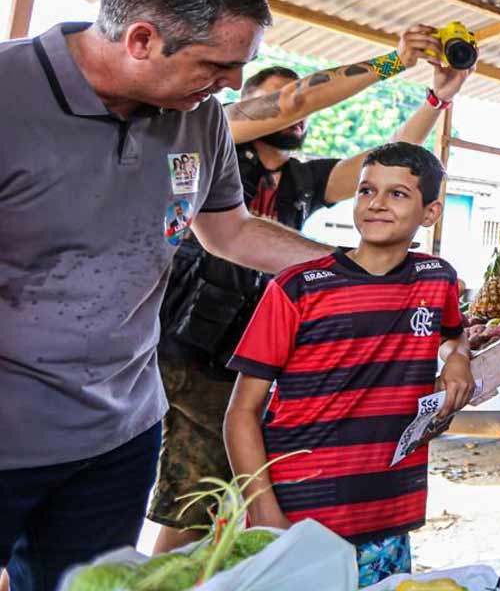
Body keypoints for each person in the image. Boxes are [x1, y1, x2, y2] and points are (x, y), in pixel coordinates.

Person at [0, 0, 338, 588]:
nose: (234, 85)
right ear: (142, 40)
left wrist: (348, 271)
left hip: (116, 437)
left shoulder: (198, 119)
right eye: (219, 64)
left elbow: (231, 232)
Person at [149, 35, 472, 553]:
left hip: (262, 349)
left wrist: (435, 100)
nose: (298, 111)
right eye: (281, 99)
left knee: (238, 482)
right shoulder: (218, 137)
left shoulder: (303, 178)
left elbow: (386, 164)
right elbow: (299, 97)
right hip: (198, 349)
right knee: (204, 488)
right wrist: (396, 60)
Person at [224, 143, 474, 585]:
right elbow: (241, 413)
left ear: (431, 212)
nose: (376, 203)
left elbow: (453, 336)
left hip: (387, 515)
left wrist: (457, 360)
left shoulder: (438, 279)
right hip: (298, 514)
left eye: (397, 194)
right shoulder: (298, 288)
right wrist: (264, 511)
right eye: (365, 190)